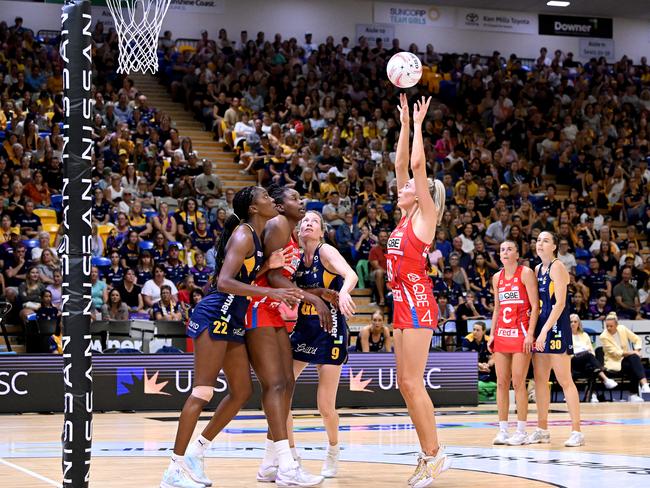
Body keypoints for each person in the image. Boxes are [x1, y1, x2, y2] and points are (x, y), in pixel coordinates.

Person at [160, 186, 303, 488]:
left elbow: (243, 277)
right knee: (202, 392)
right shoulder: (244, 234)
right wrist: (271, 290)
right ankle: (173, 469)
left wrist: (267, 268)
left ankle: (198, 452)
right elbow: (224, 282)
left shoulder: (258, 237)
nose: (271, 201)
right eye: (265, 197)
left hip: (233, 318)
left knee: (241, 391)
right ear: (253, 207)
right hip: (214, 315)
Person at [245, 185, 328, 486]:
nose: (301, 201)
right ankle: (286, 466)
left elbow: (281, 277)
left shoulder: (289, 231)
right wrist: (312, 299)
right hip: (256, 308)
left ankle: (270, 464)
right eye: (293, 198)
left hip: (271, 310)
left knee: (287, 382)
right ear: (279, 207)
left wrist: (317, 293)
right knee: (277, 384)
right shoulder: (279, 225)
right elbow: (274, 276)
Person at [386, 95, 450, 485]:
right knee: (406, 387)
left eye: (410, 186)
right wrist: (405, 124)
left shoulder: (426, 216)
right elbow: (400, 164)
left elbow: (415, 165)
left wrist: (422, 125)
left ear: (423, 193)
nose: (403, 186)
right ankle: (429, 452)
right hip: (400, 302)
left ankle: (434, 453)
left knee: (412, 382)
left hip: (419, 303)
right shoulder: (405, 215)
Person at [287, 210, 357, 478]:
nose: (307, 223)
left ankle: (333, 449)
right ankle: (291, 454)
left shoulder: (325, 251)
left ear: (321, 231)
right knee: (281, 393)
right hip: (304, 328)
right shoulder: (294, 258)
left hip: (331, 328)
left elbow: (351, 275)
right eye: (304, 220)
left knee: (325, 405)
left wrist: (343, 293)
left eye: (313, 221)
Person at [532, 231, 583, 447]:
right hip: (542, 327)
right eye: (538, 240)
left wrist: (543, 331)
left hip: (557, 328)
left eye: (545, 240)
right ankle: (542, 429)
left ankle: (577, 432)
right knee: (541, 380)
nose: (540, 244)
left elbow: (560, 304)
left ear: (554, 247)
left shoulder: (557, 267)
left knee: (564, 380)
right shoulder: (537, 269)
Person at [488, 240, 539, 446]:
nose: (505, 252)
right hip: (501, 333)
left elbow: (535, 306)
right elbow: (497, 309)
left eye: (509, 249)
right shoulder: (496, 277)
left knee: (518, 382)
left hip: (521, 334)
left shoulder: (525, 274)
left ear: (517, 254)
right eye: (502, 250)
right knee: (501, 382)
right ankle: (502, 430)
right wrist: (492, 333)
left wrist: (530, 335)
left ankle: (521, 431)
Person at [599, 312, 650, 402]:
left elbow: (637, 339)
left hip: (625, 360)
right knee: (634, 360)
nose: (609, 328)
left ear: (617, 325)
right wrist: (634, 353)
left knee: (634, 360)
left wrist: (637, 350)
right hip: (614, 363)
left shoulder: (622, 329)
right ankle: (639, 389)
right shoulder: (603, 336)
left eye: (611, 326)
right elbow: (617, 353)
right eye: (607, 326)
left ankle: (642, 387)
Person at [570, 314, 618, 402]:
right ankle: (605, 379)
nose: (573, 323)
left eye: (575, 322)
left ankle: (593, 395)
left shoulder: (584, 335)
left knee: (592, 368)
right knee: (588, 356)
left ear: (579, 324)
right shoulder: (566, 336)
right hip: (573, 361)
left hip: (585, 362)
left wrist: (585, 352)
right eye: (571, 322)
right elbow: (566, 353)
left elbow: (591, 351)